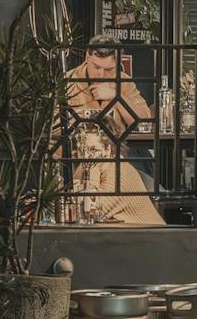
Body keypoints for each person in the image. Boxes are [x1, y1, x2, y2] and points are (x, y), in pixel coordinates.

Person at [63, 41, 164, 226]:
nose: (101, 75)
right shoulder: (68, 83)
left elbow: (145, 121)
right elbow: (50, 130)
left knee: (150, 188)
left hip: (115, 162)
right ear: (87, 57)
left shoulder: (122, 82)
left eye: (108, 69)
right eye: (96, 67)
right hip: (75, 166)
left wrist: (117, 96)